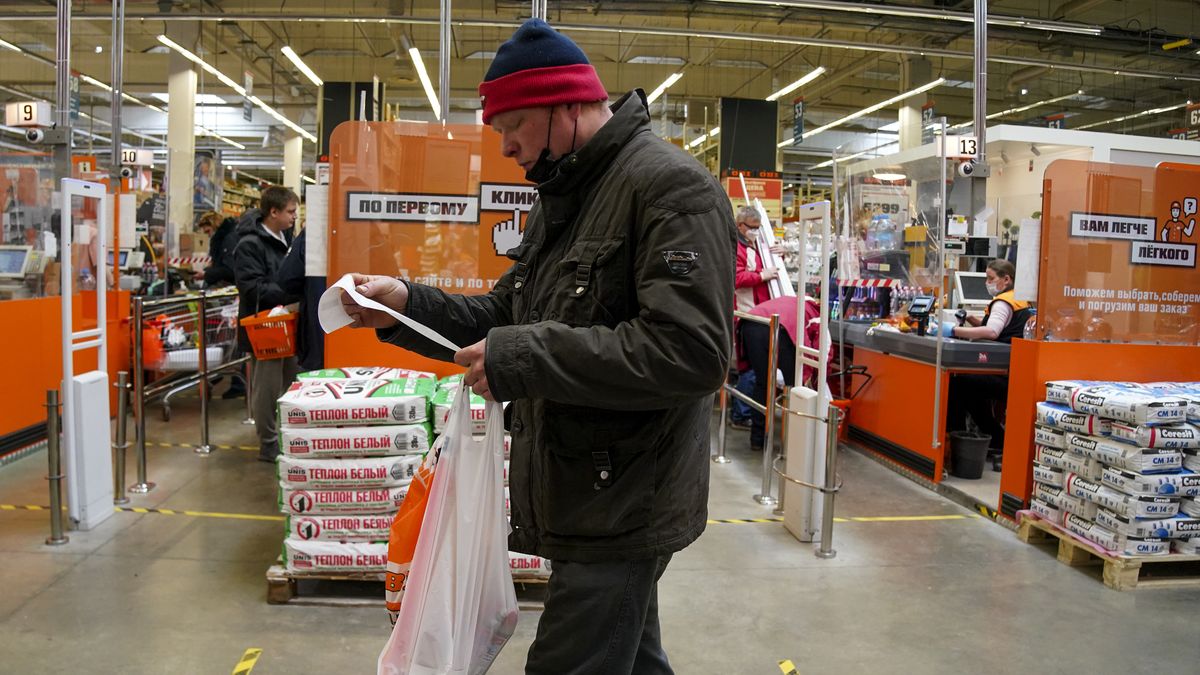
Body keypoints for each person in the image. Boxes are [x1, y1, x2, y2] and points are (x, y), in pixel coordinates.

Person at [340, 18, 734, 674]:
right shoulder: (566, 199)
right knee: (631, 657)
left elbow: (689, 351)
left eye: (512, 126)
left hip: (625, 500)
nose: (506, 148)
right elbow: (505, 313)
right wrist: (402, 304)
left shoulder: (670, 188)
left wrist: (522, 357)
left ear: (564, 105)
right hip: (586, 489)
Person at [232, 186, 301, 462]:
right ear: (273, 212)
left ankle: (284, 433)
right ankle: (268, 442)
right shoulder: (250, 244)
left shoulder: (285, 237)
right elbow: (253, 288)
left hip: (285, 323)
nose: (294, 217)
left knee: (288, 381)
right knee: (266, 387)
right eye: (290, 212)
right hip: (264, 329)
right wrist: (293, 292)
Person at [943, 259, 1032, 470]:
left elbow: (992, 332)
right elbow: (1001, 328)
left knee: (958, 383)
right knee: (971, 389)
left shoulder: (1003, 302)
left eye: (991, 279)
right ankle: (994, 440)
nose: (988, 283)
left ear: (1006, 279)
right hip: (1013, 370)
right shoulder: (1020, 299)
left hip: (1004, 373)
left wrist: (952, 331)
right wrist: (973, 321)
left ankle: (956, 440)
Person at [738, 295, 827, 452]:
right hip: (779, 329)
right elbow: (819, 351)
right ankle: (796, 443)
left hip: (750, 323)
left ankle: (758, 439)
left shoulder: (790, 299)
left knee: (763, 383)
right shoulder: (815, 314)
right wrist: (812, 378)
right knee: (794, 387)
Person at [730, 205, 781, 429]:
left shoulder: (757, 245)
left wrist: (777, 255)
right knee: (749, 368)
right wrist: (762, 275)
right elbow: (737, 278)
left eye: (759, 228)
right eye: (752, 228)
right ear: (740, 226)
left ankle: (744, 412)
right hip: (745, 314)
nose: (756, 231)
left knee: (753, 368)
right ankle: (741, 414)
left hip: (761, 314)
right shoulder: (736, 248)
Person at [195, 212, 240, 288]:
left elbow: (230, 270)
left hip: (229, 286)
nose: (208, 235)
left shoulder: (229, 239)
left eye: (208, 231)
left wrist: (207, 274)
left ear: (215, 225)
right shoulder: (220, 240)